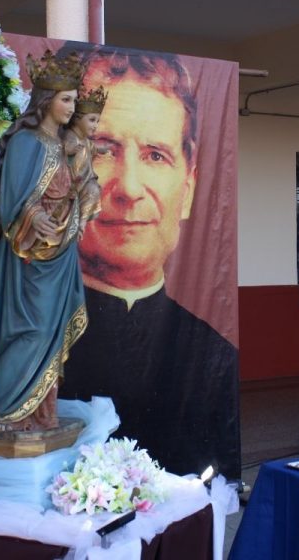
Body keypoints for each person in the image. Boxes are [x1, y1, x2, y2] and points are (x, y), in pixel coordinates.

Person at [56, 46, 241, 479]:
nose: (130, 188)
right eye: (103, 149)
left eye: (156, 155)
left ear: (189, 187)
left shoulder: (217, 358)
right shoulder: (27, 344)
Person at [0, 51, 88, 433]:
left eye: (74, 101)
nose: (72, 107)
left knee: (50, 332)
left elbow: (76, 190)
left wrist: (74, 206)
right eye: (66, 99)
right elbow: (13, 203)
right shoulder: (25, 142)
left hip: (60, 254)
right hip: (29, 256)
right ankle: (5, 411)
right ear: (47, 101)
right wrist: (36, 217)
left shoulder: (64, 145)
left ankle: (40, 414)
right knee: (29, 332)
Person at [61, 86, 107, 235]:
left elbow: (94, 148)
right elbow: (62, 149)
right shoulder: (69, 135)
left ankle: (81, 222)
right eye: (92, 120)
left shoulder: (86, 142)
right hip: (67, 186)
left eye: (97, 121)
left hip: (84, 184)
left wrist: (104, 148)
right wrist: (70, 150)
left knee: (94, 190)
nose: (95, 126)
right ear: (77, 118)